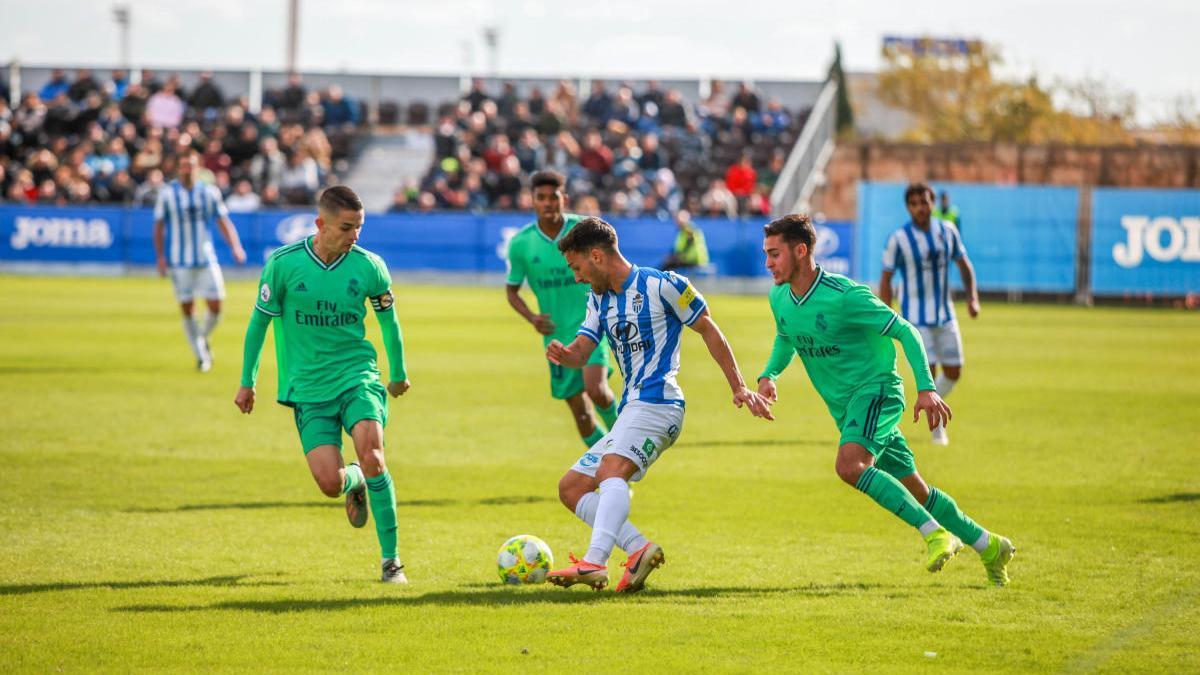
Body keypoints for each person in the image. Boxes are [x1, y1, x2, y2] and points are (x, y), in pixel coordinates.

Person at [757, 214, 1014, 587]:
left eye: (775, 254)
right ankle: (990, 545)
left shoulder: (846, 296)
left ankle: (936, 534)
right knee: (917, 489)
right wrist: (769, 375)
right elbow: (786, 335)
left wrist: (926, 388)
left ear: (801, 251)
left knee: (850, 465)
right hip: (845, 408)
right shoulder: (779, 296)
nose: (768, 263)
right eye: (766, 254)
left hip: (877, 391)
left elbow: (906, 332)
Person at [544, 217, 774, 593]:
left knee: (611, 472)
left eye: (577, 267)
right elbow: (583, 350)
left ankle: (594, 562)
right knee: (571, 487)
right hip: (632, 408)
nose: (577, 277)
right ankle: (639, 550)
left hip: (659, 403)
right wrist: (566, 356)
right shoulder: (598, 298)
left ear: (597, 256)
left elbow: (708, 329)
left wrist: (739, 387)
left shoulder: (665, 285)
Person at [234, 185, 411, 583]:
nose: (354, 236)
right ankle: (355, 479)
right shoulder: (283, 264)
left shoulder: (369, 266)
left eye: (359, 228)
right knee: (330, 483)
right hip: (308, 388)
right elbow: (258, 323)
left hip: (357, 377)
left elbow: (390, 324)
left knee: (373, 451)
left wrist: (397, 372)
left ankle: (391, 562)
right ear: (321, 224)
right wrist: (248, 382)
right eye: (347, 228)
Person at [505, 171, 618, 448]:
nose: (547, 203)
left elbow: (610, 266)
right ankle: (610, 466)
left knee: (598, 390)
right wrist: (532, 317)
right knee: (581, 415)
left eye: (553, 197)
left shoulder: (584, 231)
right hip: (556, 335)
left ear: (563, 198)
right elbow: (512, 290)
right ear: (531, 201)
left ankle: (627, 443)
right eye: (540, 198)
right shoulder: (521, 244)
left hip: (592, 325)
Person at [879, 183, 978, 445]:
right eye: (914, 203)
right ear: (908, 207)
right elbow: (886, 278)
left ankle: (935, 405)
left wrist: (972, 298)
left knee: (955, 371)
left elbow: (964, 264)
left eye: (924, 202)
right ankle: (938, 430)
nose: (920, 208)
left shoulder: (948, 231)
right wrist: (885, 315)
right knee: (929, 375)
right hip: (916, 319)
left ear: (932, 202)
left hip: (945, 315)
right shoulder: (899, 238)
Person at [153, 149, 246, 372]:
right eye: (183, 165)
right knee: (188, 307)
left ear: (199, 167)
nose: (187, 170)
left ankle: (201, 338)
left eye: (191, 165)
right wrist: (160, 257)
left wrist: (235, 246)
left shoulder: (210, 192)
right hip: (179, 261)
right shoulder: (167, 193)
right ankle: (201, 356)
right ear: (178, 168)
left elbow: (223, 221)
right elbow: (159, 226)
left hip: (205, 258)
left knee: (217, 304)